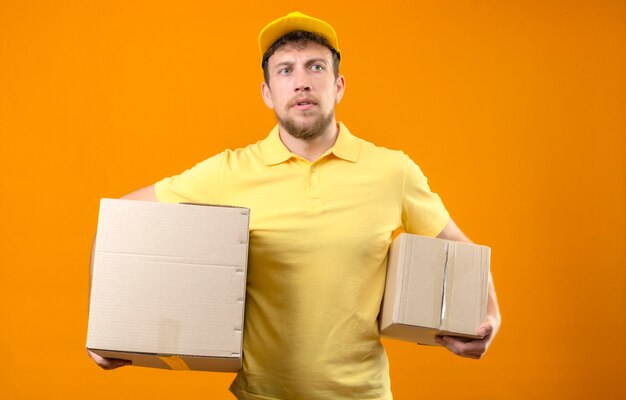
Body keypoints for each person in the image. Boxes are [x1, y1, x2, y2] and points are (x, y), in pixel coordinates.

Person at [87, 11, 501, 400]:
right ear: (268, 93)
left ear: (339, 85)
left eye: (316, 67)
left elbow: (463, 252)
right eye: (286, 70)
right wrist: (108, 326)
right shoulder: (229, 172)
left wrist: (491, 318)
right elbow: (120, 225)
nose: (301, 82)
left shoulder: (393, 171)